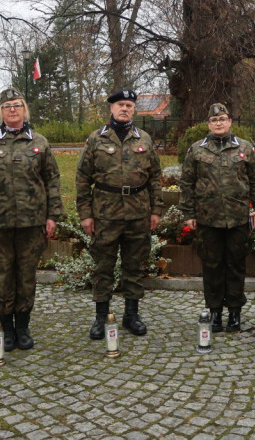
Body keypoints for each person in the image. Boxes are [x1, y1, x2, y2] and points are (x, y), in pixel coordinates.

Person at [0, 87, 62, 352]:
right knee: (3, 275)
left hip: (32, 223)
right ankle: (5, 328)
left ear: (25, 110)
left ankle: (23, 326)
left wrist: (53, 215)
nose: (12, 109)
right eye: (7, 105)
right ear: (0, 111)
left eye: (17, 105)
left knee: (27, 276)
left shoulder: (39, 142)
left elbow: (52, 180)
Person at [76, 88, 163, 339]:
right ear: (111, 109)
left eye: (129, 105)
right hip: (105, 213)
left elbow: (155, 177)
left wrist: (156, 210)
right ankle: (100, 317)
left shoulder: (144, 139)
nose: (125, 109)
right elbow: (82, 179)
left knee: (134, 265)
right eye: (120, 105)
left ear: (134, 109)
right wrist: (85, 214)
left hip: (138, 213)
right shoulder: (96, 139)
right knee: (103, 266)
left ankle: (131, 315)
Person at [179, 103, 255, 333]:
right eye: (214, 120)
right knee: (212, 267)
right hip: (208, 219)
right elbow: (187, 183)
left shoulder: (245, 148)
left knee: (236, 266)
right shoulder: (197, 149)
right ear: (208, 124)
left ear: (230, 122)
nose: (219, 123)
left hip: (237, 218)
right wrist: (188, 213)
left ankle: (235, 313)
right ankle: (215, 312)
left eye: (223, 119)